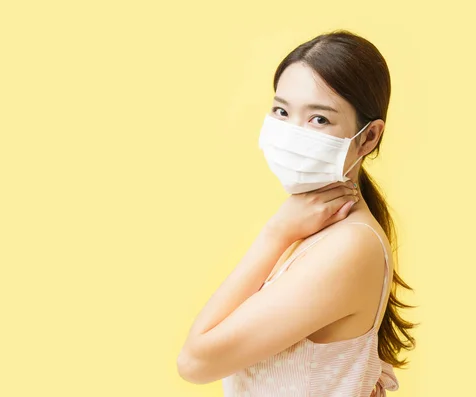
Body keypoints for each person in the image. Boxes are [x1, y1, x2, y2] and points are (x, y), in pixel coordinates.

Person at [177, 30, 417, 396]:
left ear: (368, 138)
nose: (291, 133)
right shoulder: (316, 228)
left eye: (319, 119)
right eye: (282, 111)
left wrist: (276, 232)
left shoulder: (349, 246)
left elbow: (195, 362)